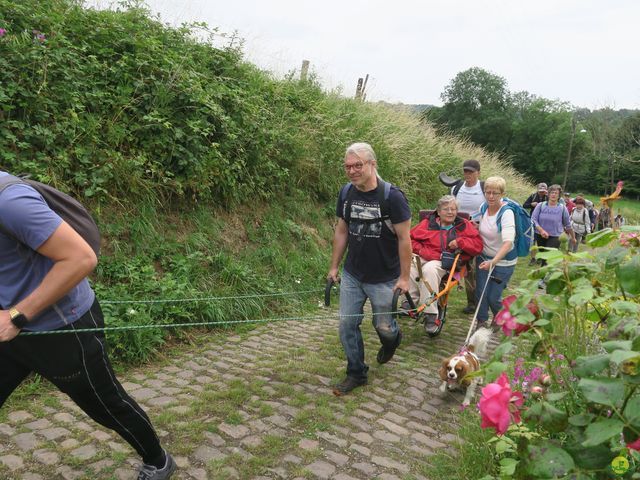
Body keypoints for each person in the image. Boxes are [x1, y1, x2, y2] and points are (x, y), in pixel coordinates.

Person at [0, 171, 176, 480]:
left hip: (62, 329)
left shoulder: (9, 203)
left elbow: (80, 258)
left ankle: (158, 460)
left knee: (106, 404)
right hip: (8, 329)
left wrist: (16, 315)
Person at [327, 143, 411, 396]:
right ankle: (356, 372)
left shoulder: (392, 197)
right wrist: (334, 267)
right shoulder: (346, 193)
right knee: (346, 325)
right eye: (348, 166)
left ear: (372, 164)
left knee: (384, 327)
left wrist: (405, 278)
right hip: (353, 274)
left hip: (384, 277)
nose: (352, 171)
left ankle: (393, 339)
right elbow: (342, 231)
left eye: (358, 165)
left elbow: (404, 239)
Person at [407, 195, 483, 333]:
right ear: (438, 211)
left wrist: (460, 242)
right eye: (446, 209)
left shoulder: (463, 225)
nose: (450, 212)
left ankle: (430, 314)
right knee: (410, 261)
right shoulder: (427, 223)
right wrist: (423, 251)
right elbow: (410, 239)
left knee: (429, 269)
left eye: (453, 209)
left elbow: (478, 246)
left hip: (447, 261)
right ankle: (410, 301)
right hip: (426, 255)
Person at [475, 177, 518, 329]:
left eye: (495, 193)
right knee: (481, 293)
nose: (491, 196)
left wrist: (493, 262)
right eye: (488, 192)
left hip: (504, 262)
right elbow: (475, 223)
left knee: (493, 297)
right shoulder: (483, 207)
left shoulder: (506, 213)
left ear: (502, 194)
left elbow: (508, 243)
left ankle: (501, 316)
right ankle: (481, 322)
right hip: (483, 257)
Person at [451, 159, 484, 315]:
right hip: (460, 232)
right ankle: (472, 303)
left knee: (479, 269)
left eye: (471, 172)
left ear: (478, 172)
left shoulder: (484, 188)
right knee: (466, 267)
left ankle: (480, 299)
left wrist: (481, 224)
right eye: (465, 171)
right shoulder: (457, 188)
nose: (467, 174)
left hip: (479, 233)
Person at [531, 184, 576, 272]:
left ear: (559, 195)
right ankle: (545, 274)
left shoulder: (562, 208)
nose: (554, 195)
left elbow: (567, 224)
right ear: (548, 194)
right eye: (552, 192)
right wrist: (541, 230)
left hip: (555, 236)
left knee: (548, 258)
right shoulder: (540, 205)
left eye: (556, 193)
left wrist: (573, 237)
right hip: (540, 235)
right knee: (543, 255)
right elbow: (533, 219)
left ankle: (543, 279)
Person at [523, 183, 548, 266]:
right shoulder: (533, 196)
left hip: (544, 222)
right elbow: (524, 205)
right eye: (540, 191)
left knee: (542, 241)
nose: (541, 193)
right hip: (533, 222)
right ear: (537, 190)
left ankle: (540, 258)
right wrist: (531, 204)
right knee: (533, 241)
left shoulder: (548, 198)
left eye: (543, 191)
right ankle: (533, 258)